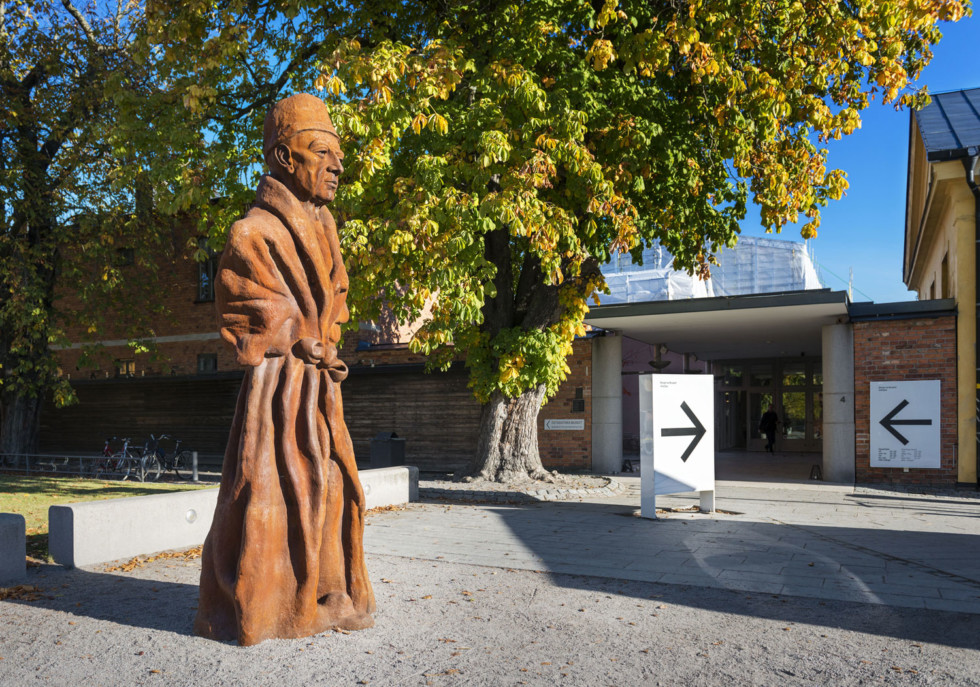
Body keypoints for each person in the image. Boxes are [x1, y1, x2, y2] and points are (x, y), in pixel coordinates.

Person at [194, 94, 375, 646]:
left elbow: (338, 297)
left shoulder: (326, 227)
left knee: (335, 485)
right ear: (282, 157)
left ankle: (325, 591)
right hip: (279, 391)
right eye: (321, 151)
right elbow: (243, 310)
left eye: (338, 154)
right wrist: (300, 336)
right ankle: (268, 606)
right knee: (281, 490)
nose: (338, 166)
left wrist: (328, 338)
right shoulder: (251, 232)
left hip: (319, 386)